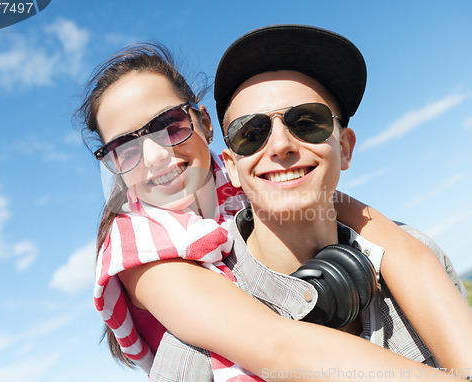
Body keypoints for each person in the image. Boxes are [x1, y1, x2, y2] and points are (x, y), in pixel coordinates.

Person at [76, 38, 470, 381]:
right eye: (125, 148)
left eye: (170, 124)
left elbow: (393, 242)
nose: (156, 155)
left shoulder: (242, 172)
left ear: (205, 124)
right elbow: (279, 346)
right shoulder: (133, 245)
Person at [216, 24, 472, 372]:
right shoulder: (198, 342)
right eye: (251, 133)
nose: (280, 146)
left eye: (307, 122)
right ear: (231, 167)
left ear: (345, 148)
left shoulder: (418, 250)